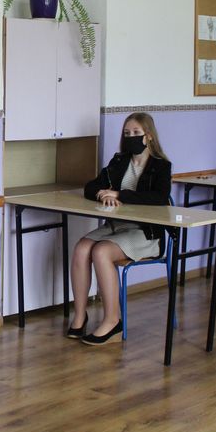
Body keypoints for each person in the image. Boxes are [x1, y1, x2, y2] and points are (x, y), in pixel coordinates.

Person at [68, 113, 172, 345]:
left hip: (146, 233)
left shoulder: (161, 166)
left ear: (149, 136)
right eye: (127, 133)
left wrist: (119, 194)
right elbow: (90, 186)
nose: (130, 137)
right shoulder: (119, 161)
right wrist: (102, 194)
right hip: (116, 227)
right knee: (82, 248)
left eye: (136, 133)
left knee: (101, 251)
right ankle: (80, 315)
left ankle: (113, 321)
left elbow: (159, 198)